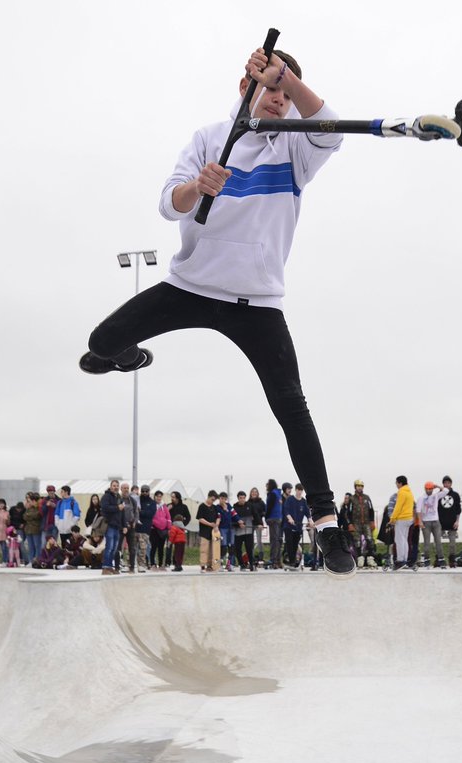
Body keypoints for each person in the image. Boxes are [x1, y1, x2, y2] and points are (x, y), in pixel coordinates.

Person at [79, 45, 354, 577]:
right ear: (244, 86)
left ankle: (327, 523)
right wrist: (195, 188)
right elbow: (167, 203)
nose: (277, 100)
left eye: (285, 92)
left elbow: (332, 128)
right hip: (192, 284)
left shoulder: (297, 146)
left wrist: (287, 79)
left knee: (291, 405)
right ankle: (128, 356)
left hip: (257, 303)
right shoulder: (210, 138)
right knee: (99, 344)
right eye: (268, 89)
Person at [344, 480, 378, 569]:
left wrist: (372, 521)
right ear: (355, 487)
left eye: (361, 486)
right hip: (356, 523)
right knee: (357, 541)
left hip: (366, 523)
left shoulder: (367, 498)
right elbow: (348, 513)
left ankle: (370, 558)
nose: (360, 487)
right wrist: (350, 524)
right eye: (358, 486)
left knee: (370, 540)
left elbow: (371, 510)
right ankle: (360, 559)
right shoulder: (352, 499)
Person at [389, 476, 416, 570]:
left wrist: (392, 518)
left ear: (400, 483)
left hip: (401, 518)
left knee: (399, 540)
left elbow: (398, 506)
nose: (396, 485)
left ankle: (400, 561)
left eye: (396, 483)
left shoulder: (401, 492)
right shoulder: (410, 492)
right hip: (409, 518)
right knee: (404, 540)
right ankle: (405, 559)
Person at [416, 481, 444, 568]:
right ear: (425, 489)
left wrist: (437, 486)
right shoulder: (421, 498)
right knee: (427, 542)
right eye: (427, 489)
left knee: (438, 541)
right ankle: (427, 559)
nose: (429, 490)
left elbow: (446, 491)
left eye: (430, 489)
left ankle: (441, 559)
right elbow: (418, 510)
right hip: (426, 522)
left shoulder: (435, 495)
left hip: (436, 521)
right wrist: (420, 521)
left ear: (432, 489)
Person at [100, 480, 125, 575]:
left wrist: (124, 525)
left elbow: (122, 512)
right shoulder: (106, 496)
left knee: (114, 548)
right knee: (109, 547)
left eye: (117, 486)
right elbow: (104, 508)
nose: (116, 487)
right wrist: (117, 508)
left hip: (117, 526)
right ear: (110, 486)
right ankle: (105, 567)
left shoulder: (119, 497)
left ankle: (110, 567)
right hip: (109, 524)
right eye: (114, 486)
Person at [283, 484, 309, 570]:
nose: (299, 492)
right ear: (296, 490)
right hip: (288, 526)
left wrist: (310, 521)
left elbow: (307, 513)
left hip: (298, 527)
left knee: (295, 545)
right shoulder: (290, 499)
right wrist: (289, 518)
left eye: (301, 490)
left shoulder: (303, 501)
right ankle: (291, 561)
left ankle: (293, 561)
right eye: (298, 490)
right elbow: (285, 510)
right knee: (289, 544)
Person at [437, 476, 462, 565]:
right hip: (440, 522)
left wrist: (457, 521)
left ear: (451, 484)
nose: (446, 484)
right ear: (443, 484)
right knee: (438, 542)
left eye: (448, 483)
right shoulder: (438, 495)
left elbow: (458, 509)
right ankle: (439, 559)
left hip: (452, 522)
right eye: (445, 483)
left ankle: (452, 560)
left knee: (452, 543)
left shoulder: (455, 495)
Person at [197, 490, 222, 573]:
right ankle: (203, 566)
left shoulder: (215, 507)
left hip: (213, 533)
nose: (213, 501)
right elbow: (200, 519)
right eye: (212, 499)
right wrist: (209, 524)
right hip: (204, 532)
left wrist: (216, 525)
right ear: (208, 496)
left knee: (212, 549)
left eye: (214, 500)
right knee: (204, 549)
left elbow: (218, 517)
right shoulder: (202, 506)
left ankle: (210, 565)